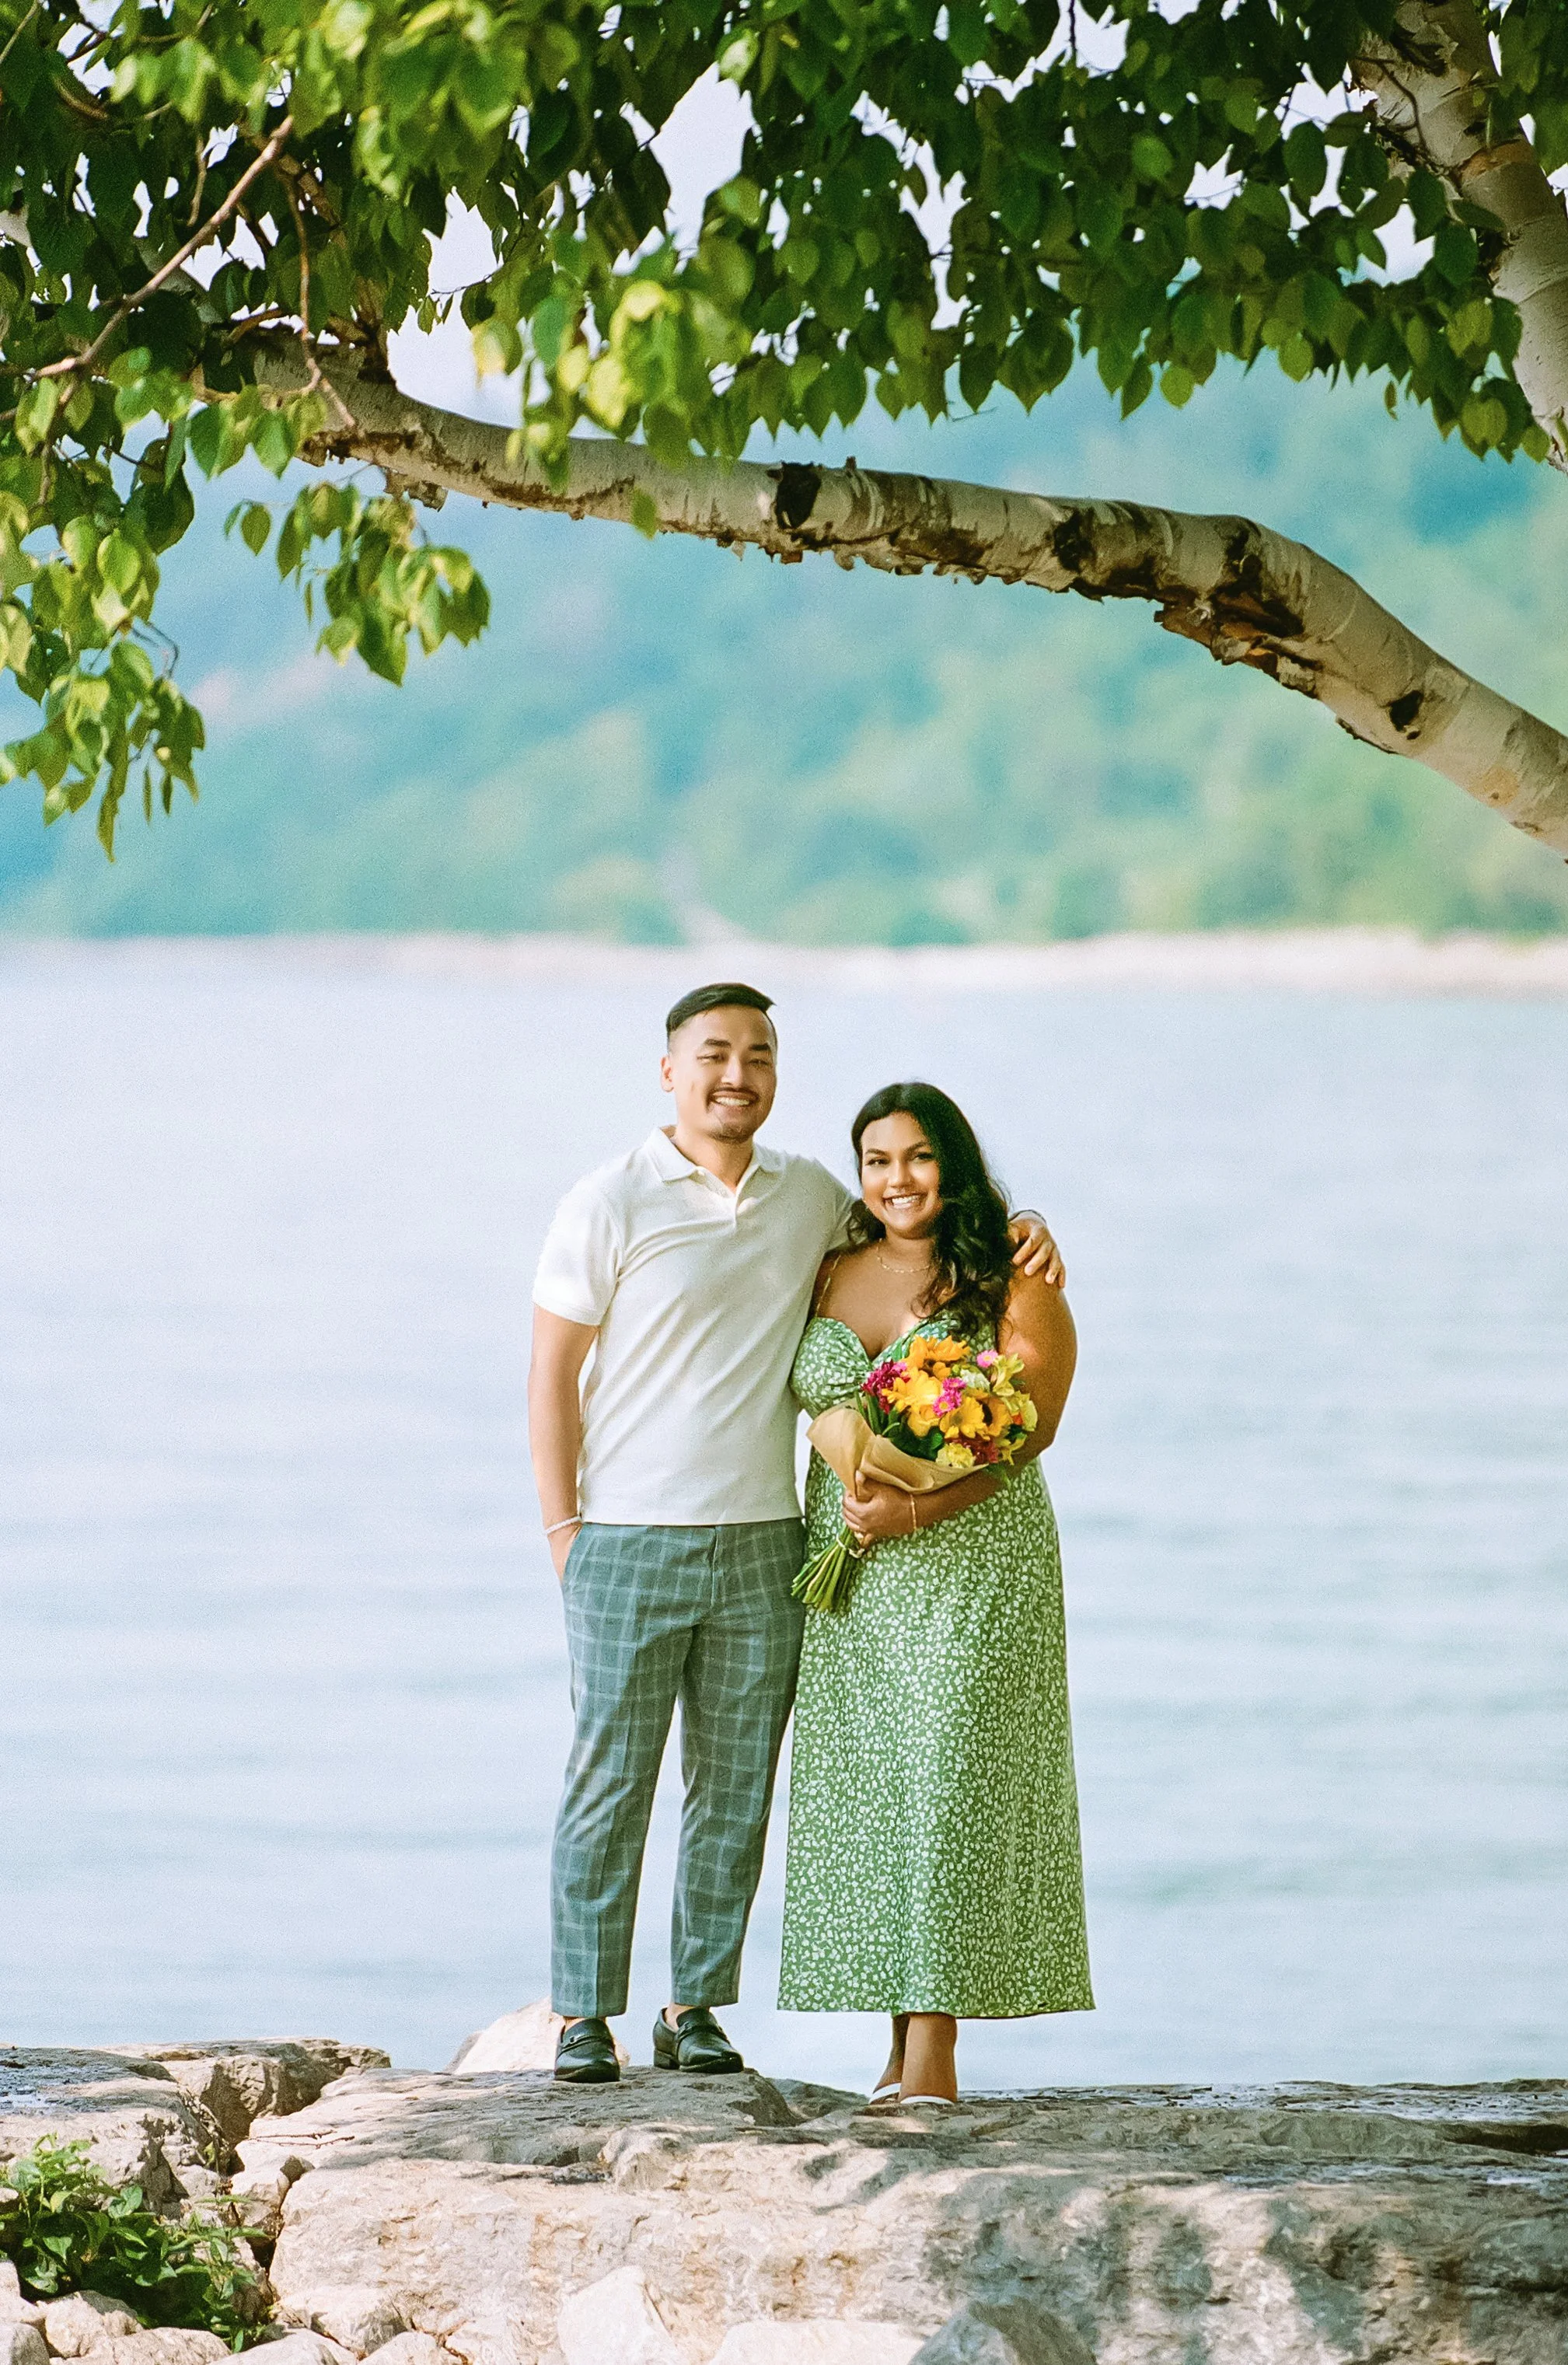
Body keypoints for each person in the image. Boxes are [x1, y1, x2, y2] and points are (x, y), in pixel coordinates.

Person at [529, 985, 1063, 2085]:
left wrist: (1025, 1225)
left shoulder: (811, 1201)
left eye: (758, 1055)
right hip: (628, 1535)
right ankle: (584, 2014)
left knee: (735, 1788)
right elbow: (550, 1374)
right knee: (608, 1780)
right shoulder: (609, 1198)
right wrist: (563, 1527)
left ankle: (696, 2008)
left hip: (774, 1539)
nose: (737, 1074)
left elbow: (940, 1258)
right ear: (669, 1069)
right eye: (714, 1054)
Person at [779, 1081, 1092, 2105]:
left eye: (917, 1157)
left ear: (952, 1163)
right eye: (877, 1159)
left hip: (975, 1561)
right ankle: (893, 2045)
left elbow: (1030, 1422)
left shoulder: (1008, 1271)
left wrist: (911, 1508)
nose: (896, 1178)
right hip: (855, 1574)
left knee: (954, 1787)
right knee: (883, 1798)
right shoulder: (827, 1262)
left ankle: (936, 2054)